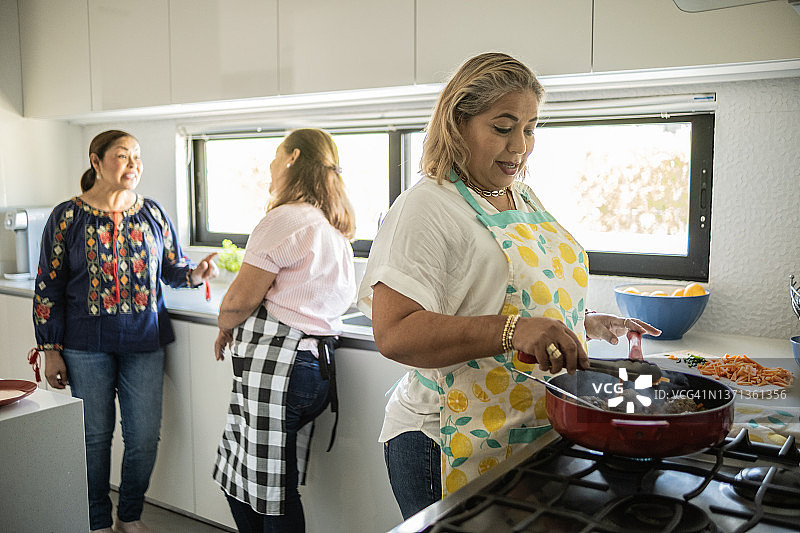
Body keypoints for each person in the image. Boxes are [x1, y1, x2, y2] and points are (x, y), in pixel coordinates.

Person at [357, 52, 662, 519]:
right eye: (503, 127)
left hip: (527, 431)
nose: (519, 146)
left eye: (530, 129)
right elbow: (394, 333)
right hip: (445, 440)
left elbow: (504, 294)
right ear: (458, 124)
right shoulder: (426, 206)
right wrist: (513, 330)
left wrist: (582, 323)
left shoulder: (520, 196)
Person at [31, 129, 219, 533]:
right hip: (84, 345)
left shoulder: (152, 213)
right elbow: (48, 285)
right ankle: (98, 521)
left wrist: (196, 273)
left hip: (144, 340)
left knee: (144, 436)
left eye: (137, 156)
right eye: (122, 155)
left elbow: (173, 268)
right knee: (95, 437)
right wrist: (50, 349)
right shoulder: (67, 216)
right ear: (96, 161)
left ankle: (129, 517)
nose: (133, 164)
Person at [212, 128, 356, 533]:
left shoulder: (285, 218)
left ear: (292, 158)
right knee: (252, 476)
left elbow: (238, 300)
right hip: (314, 372)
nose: (270, 166)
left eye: (275, 156)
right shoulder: (333, 230)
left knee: (271, 489)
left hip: (280, 370)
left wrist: (225, 325)